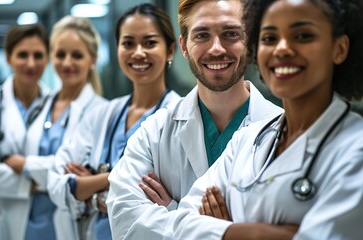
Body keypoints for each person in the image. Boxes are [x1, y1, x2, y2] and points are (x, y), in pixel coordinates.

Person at [159, 0, 363, 239]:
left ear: (339, 48)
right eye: (269, 38)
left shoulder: (354, 149)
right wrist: (259, 233)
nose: (282, 48)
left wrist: (224, 230)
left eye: (303, 35)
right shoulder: (246, 140)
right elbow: (182, 224)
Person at [106, 0, 282, 239]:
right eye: (202, 35)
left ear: (250, 41)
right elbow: (126, 226)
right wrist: (231, 231)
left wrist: (172, 212)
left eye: (231, 33)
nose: (216, 49)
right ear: (184, 46)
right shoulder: (152, 134)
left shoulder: (283, 130)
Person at [47, 3, 181, 240]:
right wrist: (119, 184)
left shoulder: (181, 117)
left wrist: (93, 189)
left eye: (150, 43)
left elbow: (176, 204)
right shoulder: (102, 114)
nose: (138, 53)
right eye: (128, 43)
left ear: (170, 50)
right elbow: (58, 183)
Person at [1, 16, 107, 240]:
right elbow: (66, 171)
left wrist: (23, 163)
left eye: (77, 55)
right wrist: (55, 173)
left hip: (69, 220)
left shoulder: (102, 112)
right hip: (27, 220)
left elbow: (70, 170)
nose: (67, 63)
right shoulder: (41, 104)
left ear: (93, 59)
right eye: (60, 54)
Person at [0, 24, 50, 240]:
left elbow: (65, 166)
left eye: (38, 55)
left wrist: (16, 163)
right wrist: (34, 183)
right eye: (22, 55)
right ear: (8, 57)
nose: (31, 63)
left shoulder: (57, 105)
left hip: (46, 220)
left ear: (48, 58)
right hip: (0, 219)